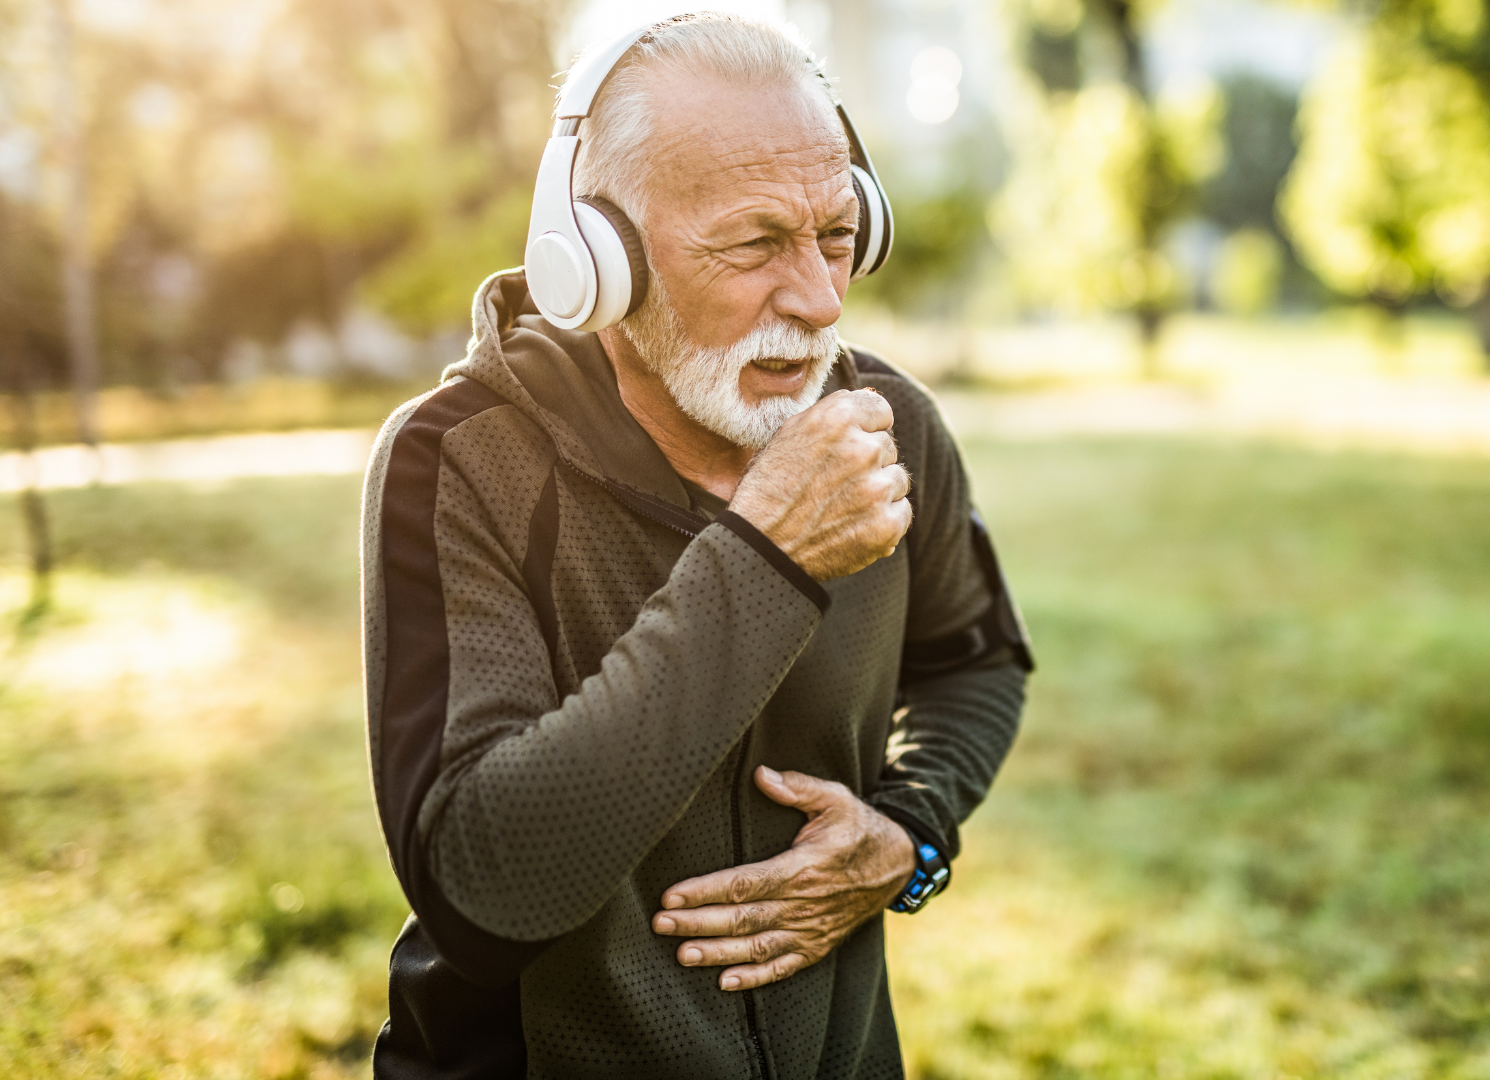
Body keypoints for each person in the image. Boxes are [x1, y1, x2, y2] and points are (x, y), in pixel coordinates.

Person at [358, 12, 1030, 1079]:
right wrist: (768, 557)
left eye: (838, 234)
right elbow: (484, 887)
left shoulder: (886, 426)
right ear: (597, 259)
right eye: (755, 242)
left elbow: (977, 663)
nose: (816, 300)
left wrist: (910, 835)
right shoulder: (458, 463)